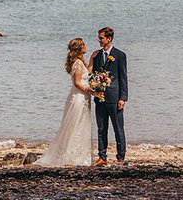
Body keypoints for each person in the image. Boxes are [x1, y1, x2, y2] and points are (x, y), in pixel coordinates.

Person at [33, 37, 94, 166]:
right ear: (79, 47)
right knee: (75, 124)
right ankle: (71, 155)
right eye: (84, 44)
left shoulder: (80, 62)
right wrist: (90, 91)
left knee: (81, 124)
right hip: (79, 97)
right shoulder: (77, 63)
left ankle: (78, 154)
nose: (86, 46)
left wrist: (93, 58)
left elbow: (87, 73)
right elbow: (77, 83)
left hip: (82, 97)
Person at [90, 26, 128, 165]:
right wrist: (95, 88)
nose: (99, 40)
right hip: (100, 98)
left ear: (109, 38)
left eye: (101, 38)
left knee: (118, 128)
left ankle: (120, 156)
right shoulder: (97, 55)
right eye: (99, 37)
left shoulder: (120, 55)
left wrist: (123, 97)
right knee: (101, 128)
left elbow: (123, 77)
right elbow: (92, 76)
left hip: (115, 97)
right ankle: (102, 156)